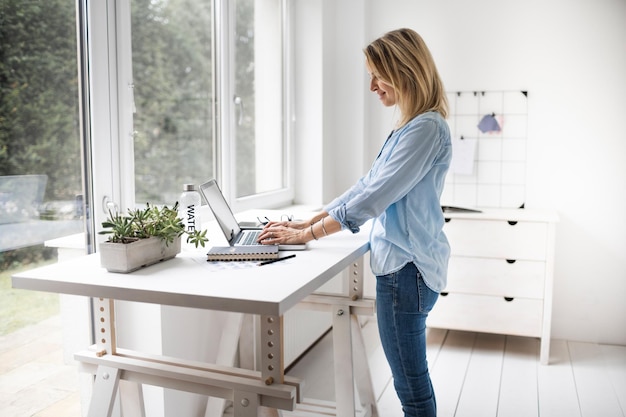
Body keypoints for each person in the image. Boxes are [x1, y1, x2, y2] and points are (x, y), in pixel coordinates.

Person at [257, 28, 451, 417]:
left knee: (410, 386)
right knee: (409, 379)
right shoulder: (409, 127)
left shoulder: (426, 128)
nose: (372, 86)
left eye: (377, 75)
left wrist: (309, 233)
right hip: (405, 268)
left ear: (404, 71)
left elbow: (375, 197)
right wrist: (311, 221)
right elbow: (368, 184)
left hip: (406, 270)